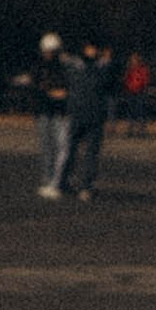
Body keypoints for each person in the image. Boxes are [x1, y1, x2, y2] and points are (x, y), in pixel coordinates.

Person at [58, 41, 110, 199]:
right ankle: (63, 182)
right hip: (78, 114)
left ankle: (86, 185)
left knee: (91, 153)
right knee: (71, 150)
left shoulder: (99, 68)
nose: (92, 51)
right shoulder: (78, 66)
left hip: (94, 115)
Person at [33, 35, 71, 195]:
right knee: (47, 147)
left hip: (59, 113)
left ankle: (57, 180)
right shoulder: (40, 67)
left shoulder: (63, 67)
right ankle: (48, 178)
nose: (48, 54)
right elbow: (38, 88)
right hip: (44, 111)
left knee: (60, 147)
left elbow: (64, 91)